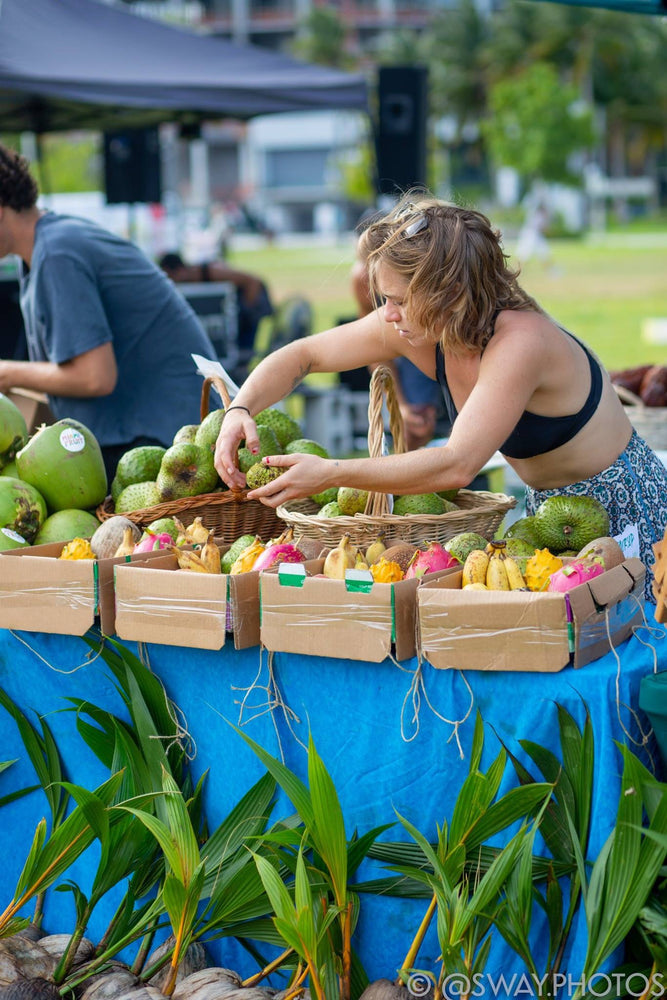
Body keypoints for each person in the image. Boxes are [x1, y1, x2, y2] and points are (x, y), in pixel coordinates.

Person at [214, 191, 667, 602]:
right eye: (382, 298)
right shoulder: (418, 326)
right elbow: (305, 355)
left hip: (625, 512)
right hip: (551, 517)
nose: (386, 315)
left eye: (398, 299)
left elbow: (458, 462)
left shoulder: (521, 341)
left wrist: (330, 474)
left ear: (448, 292)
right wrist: (240, 407)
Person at [0, 143, 219, 482]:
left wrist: (8, 373)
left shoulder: (58, 255)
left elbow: (94, 377)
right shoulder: (51, 243)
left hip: (169, 448)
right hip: (151, 439)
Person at [158, 251, 274, 359]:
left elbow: (252, 281)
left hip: (251, 305)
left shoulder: (209, 272)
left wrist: (246, 313)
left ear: (179, 270)